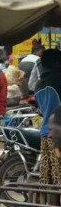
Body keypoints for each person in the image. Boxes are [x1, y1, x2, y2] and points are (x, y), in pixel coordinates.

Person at [35, 48, 61, 185]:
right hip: (58, 135)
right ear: (57, 63)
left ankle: (49, 206)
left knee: (48, 179)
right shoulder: (58, 80)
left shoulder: (39, 84)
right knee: (59, 178)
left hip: (45, 133)